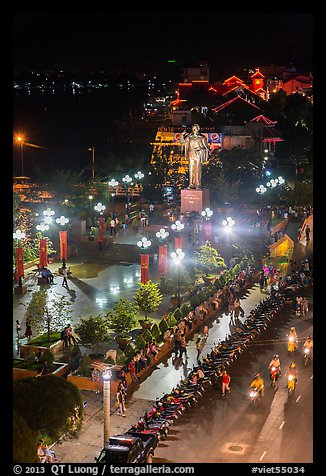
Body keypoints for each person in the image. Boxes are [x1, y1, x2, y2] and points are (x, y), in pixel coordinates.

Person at [179, 123, 210, 189]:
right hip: (191, 154)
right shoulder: (189, 137)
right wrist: (182, 135)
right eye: (193, 129)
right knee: (191, 169)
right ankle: (191, 184)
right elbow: (182, 142)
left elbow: (206, 148)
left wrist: (200, 149)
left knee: (198, 169)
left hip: (198, 155)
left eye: (195, 129)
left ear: (198, 129)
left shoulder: (202, 138)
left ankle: (198, 184)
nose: (194, 130)